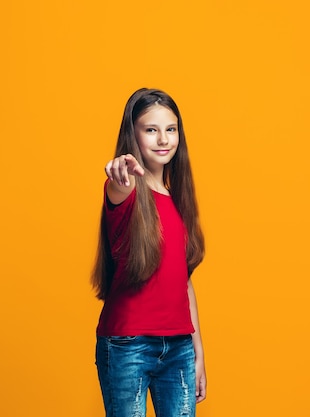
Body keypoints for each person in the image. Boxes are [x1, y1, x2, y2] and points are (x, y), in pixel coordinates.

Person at [92, 88, 207, 417]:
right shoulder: (125, 190)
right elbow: (118, 183)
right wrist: (120, 171)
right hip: (129, 346)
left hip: (179, 349)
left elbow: (184, 282)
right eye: (151, 129)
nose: (163, 139)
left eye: (171, 129)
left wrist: (197, 351)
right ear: (133, 134)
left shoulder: (177, 198)